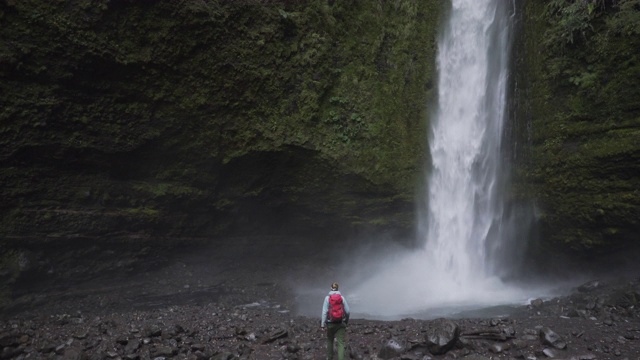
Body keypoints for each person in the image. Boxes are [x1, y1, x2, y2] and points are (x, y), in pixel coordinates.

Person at [321, 282, 350, 360]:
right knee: (340, 343)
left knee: (330, 340)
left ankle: (330, 357)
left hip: (330, 323)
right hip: (340, 323)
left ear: (331, 288)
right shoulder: (342, 298)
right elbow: (348, 311)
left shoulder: (327, 298)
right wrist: (346, 321)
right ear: (338, 289)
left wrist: (322, 324)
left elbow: (324, 312)